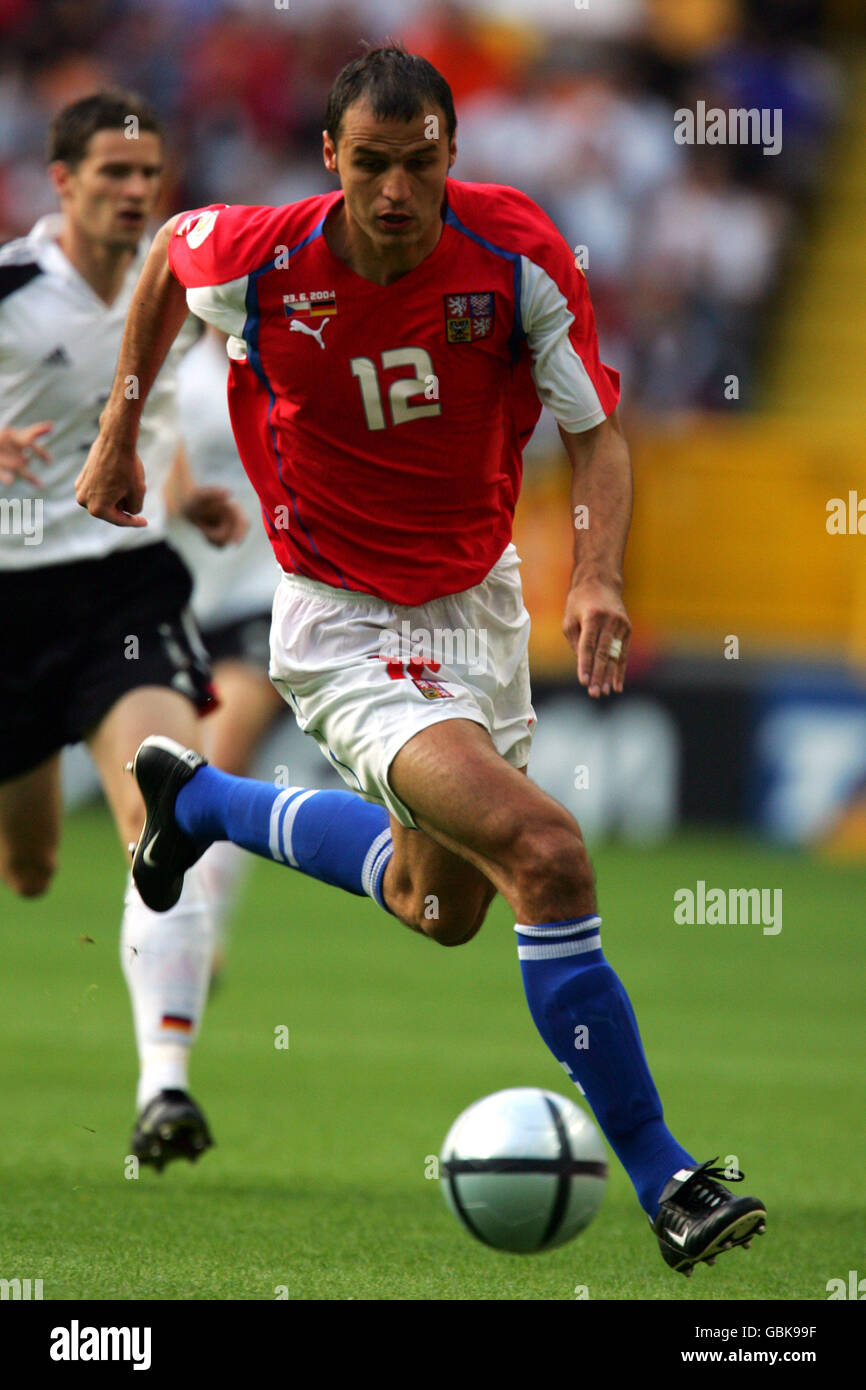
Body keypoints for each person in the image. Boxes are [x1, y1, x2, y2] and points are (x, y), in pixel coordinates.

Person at [76, 46, 767, 1273]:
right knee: (545, 854)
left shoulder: (512, 254)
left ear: (452, 152)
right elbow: (169, 262)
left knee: (434, 906)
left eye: (422, 163)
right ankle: (667, 1175)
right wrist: (121, 429)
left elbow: (596, 436)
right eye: (372, 164)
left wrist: (599, 571)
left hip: (478, 608)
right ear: (331, 157)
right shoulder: (266, 255)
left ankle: (200, 801)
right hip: (342, 625)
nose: (397, 192)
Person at [0, 90, 245, 1170]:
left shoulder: (180, 285)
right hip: (9, 600)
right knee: (35, 867)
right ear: (61, 180)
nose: (137, 193)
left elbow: (146, 419)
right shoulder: (10, 290)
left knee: (165, 804)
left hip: (121, 588)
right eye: (113, 174)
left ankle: (164, 1089)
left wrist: (184, 492)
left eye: (150, 176)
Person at [165, 323, 285, 970]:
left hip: (261, 594)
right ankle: (179, 916)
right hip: (186, 604)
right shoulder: (177, 379)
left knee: (223, 751)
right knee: (185, 769)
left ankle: (199, 933)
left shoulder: (289, 372)